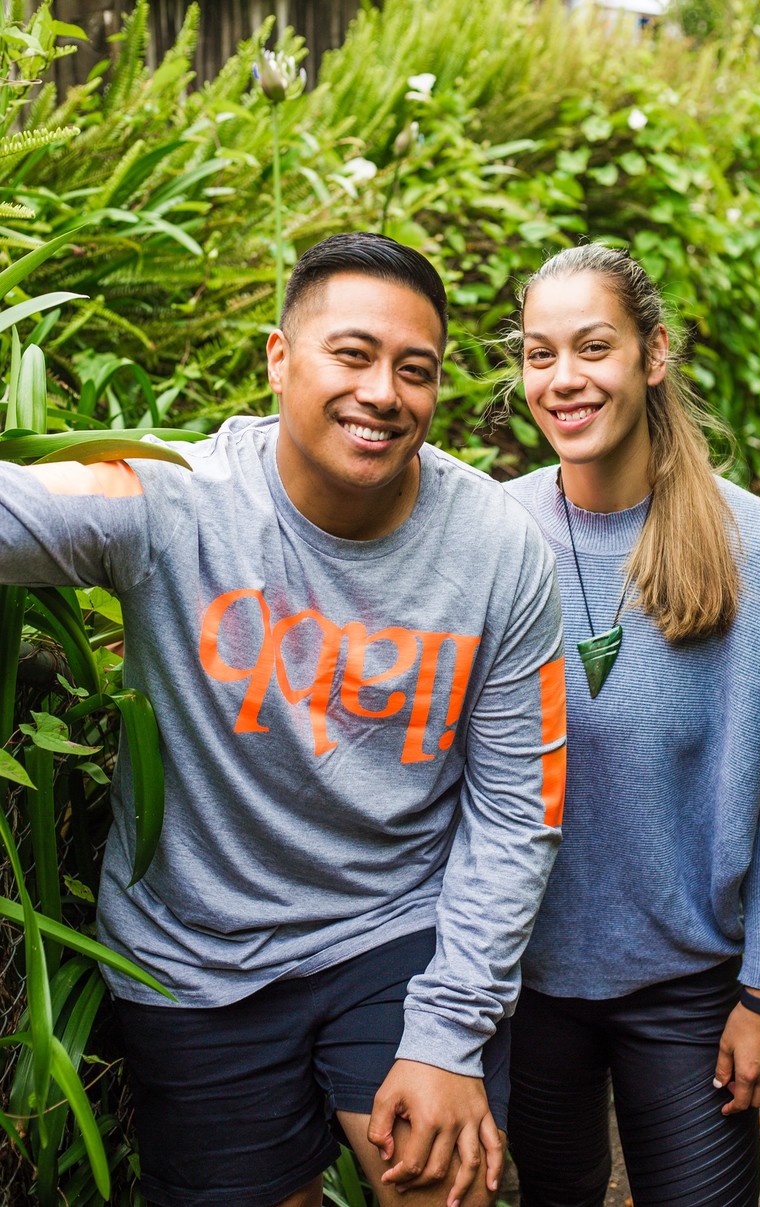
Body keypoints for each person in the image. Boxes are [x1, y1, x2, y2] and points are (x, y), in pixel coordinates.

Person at [0, 233, 567, 1207]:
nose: (383, 391)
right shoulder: (176, 500)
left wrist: (448, 1033)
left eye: (414, 369)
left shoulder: (498, 551)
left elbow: (519, 811)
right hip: (197, 952)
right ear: (278, 358)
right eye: (352, 353)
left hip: (398, 927)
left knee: (442, 1188)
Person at [502, 244, 760, 1207]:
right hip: (523, 982)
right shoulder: (490, 531)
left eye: (592, 347)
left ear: (654, 354)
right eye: (537, 353)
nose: (563, 380)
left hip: (689, 986)